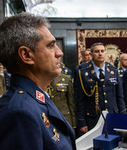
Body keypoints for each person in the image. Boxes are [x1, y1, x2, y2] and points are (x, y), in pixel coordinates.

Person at [0, 12, 76, 150]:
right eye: (51, 45)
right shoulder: (20, 113)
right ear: (27, 55)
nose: (59, 53)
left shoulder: (37, 98)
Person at [76, 42, 126, 133]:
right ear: (91, 54)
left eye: (102, 51)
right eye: (97, 51)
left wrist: (123, 116)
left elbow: (120, 96)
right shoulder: (83, 72)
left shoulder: (113, 70)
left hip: (112, 115)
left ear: (105, 53)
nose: (100, 54)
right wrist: (82, 122)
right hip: (92, 117)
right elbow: (80, 99)